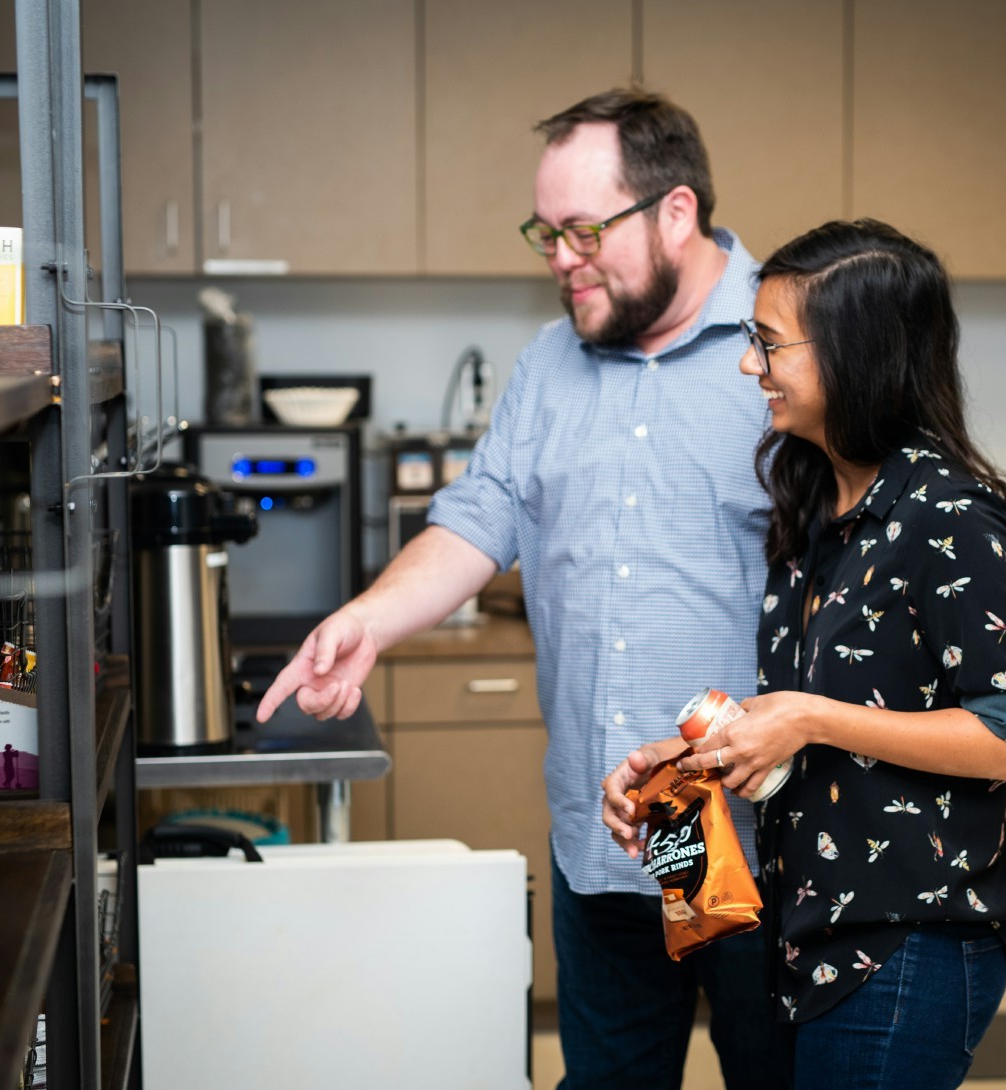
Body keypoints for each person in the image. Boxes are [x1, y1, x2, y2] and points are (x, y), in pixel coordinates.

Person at [256, 90, 788, 1089]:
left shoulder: (787, 344)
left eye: (586, 230)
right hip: (613, 840)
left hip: (768, 847)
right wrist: (368, 621)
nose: (559, 256)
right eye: (546, 232)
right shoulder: (549, 364)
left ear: (677, 212)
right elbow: (478, 517)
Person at [603, 219, 1006, 1090]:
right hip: (807, 936)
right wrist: (687, 765)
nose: (750, 366)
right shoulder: (817, 509)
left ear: (856, 354)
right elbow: (818, 720)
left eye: (768, 344)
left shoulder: (948, 516)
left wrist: (809, 717)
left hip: (907, 942)